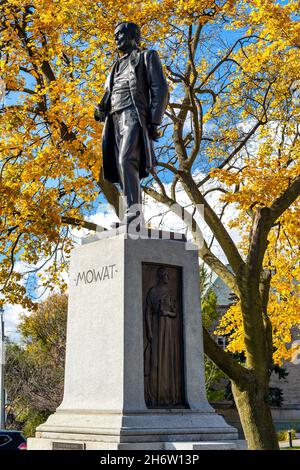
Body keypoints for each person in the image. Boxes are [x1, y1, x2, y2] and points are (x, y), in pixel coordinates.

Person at [94, 22, 169, 225]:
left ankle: (134, 217)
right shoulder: (115, 67)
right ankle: (131, 216)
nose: (116, 38)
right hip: (114, 120)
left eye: (120, 34)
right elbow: (108, 96)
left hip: (134, 115)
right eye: (114, 35)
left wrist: (154, 121)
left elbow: (160, 89)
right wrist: (100, 110)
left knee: (126, 161)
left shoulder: (147, 56)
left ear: (133, 35)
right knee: (120, 168)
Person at [144, 267, 183, 407]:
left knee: (168, 359)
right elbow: (148, 312)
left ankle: (169, 395)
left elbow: (175, 313)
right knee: (156, 360)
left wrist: (166, 313)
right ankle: (154, 395)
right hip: (156, 328)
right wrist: (149, 330)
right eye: (166, 275)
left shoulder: (170, 293)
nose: (168, 278)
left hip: (169, 331)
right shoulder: (153, 292)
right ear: (161, 276)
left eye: (169, 275)